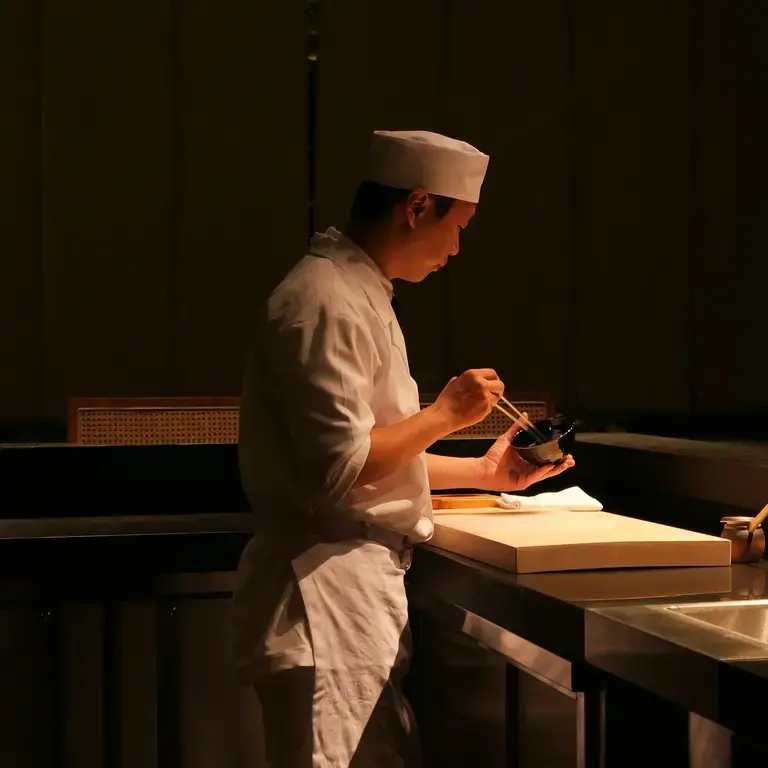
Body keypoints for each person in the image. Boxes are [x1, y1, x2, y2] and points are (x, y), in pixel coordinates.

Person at [233, 130, 575, 767]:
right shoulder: (324, 300)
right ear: (417, 206)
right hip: (322, 594)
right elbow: (338, 466)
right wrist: (445, 413)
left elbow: (374, 449)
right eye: (459, 225)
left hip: (350, 591)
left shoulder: (359, 293)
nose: (456, 247)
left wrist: (483, 471)